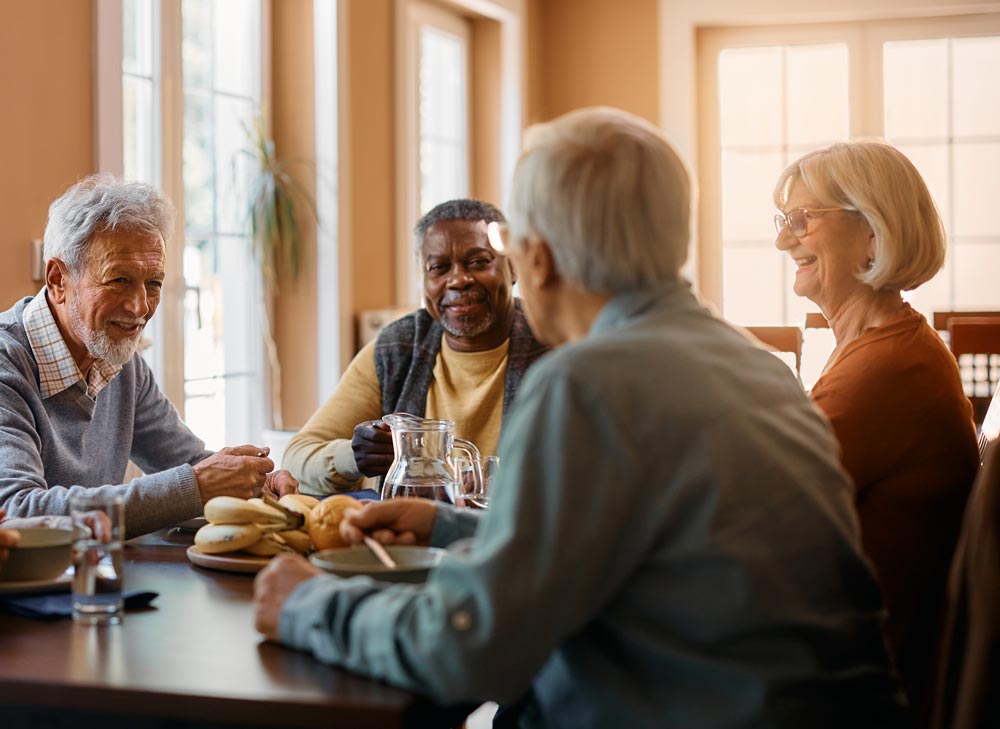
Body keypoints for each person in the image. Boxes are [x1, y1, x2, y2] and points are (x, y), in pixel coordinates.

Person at [255, 108, 907, 728]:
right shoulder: (761, 367)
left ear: (534, 259)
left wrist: (307, 603)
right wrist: (448, 524)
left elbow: (474, 646)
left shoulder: (585, 386)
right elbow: (642, 551)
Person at [773, 141, 980, 716]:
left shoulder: (884, 369)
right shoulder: (880, 348)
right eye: (784, 221)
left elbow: (756, 517)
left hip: (857, 694)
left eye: (802, 220)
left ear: (871, 232)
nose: (784, 240)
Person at [0, 174, 297, 539]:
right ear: (59, 279)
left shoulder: (118, 359)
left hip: (94, 581)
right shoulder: (6, 366)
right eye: (119, 280)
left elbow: (188, 463)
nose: (140, 307)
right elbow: (17, 511)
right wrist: (196, 485)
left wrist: (257, 484)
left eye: (153, 283)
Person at [283, 199, 548, 496]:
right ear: (424, 281)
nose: (458, 280)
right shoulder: (398, 348)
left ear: (512, 268)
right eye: (439, 267)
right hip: (409, 538)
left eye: (478, 262)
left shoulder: (554, 343)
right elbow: (296, 460)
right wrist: (354, 458)